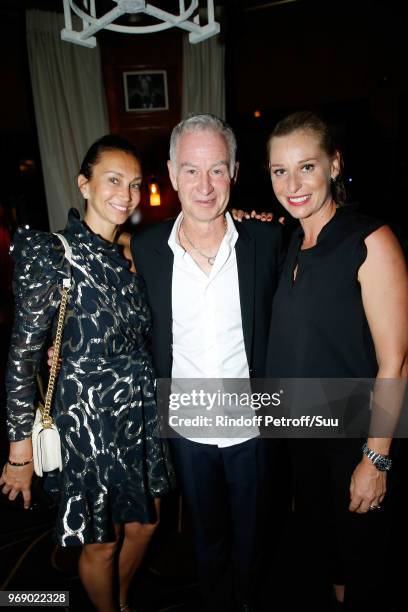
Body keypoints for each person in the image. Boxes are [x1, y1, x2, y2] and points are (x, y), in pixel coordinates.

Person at [0, 135, 175, 612]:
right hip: (89, 421)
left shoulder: (132, 253)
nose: (127, 193)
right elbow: (22, 354)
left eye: (136, 184)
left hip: (137, 412)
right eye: (114, 180)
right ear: (84, 184)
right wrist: (20, 454)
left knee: (148, 524)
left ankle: (118, 598)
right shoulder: (52, 252)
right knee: (103, 539)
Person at [131, 113, 284, 612]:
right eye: (192, 171)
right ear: (172, 174)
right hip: (188, 431)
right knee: (207, 546)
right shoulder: (147, 248)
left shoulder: (267, 241)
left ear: (235, 172)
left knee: (257, 546)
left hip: (253, 429)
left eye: (216, 169)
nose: (204, 185)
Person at [265, 111, 408, 610]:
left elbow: (396, 362)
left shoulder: (370, 240)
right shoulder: (290, 243)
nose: (293, 183)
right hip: (304, 437)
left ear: (334, 165)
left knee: (364, 565)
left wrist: (376, 459)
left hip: (356, 438)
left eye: (306, 166)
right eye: (279, 171)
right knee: (329, 561)